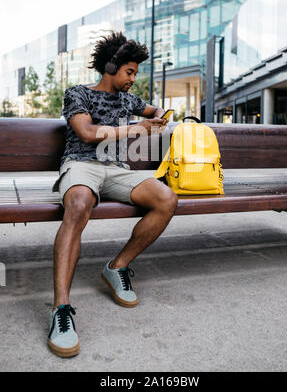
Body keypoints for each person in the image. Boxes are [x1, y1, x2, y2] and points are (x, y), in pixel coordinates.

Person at [48, 32, 178, 357]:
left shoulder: (129, 100)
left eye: (135, 73)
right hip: (81, 165)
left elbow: (157, 111)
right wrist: (136, 129)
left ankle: (117, 266)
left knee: (166, 199)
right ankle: (61, 309)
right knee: (78, 204)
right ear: (110, 67)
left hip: (116, 169)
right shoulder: (78, 94)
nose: (133, 79)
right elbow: (87, 133)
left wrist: (163, 117)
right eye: (129, 72)